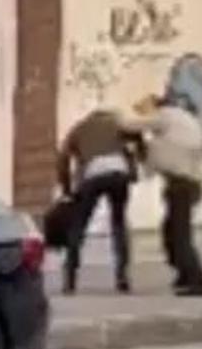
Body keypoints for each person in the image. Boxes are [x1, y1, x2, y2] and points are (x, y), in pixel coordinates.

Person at [128, 57, 202, 297]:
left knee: (179, 235)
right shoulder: (183, 122)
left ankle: (197, 281)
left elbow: (132, 126)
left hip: (182, 184)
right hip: (188, 183)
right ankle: (184, 276)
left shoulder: (166, 116)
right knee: (172, 233)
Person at [57, 106, 140, 295]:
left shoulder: (78, 129)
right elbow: (136, 140)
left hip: (92, 174)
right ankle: (122, 276)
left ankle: (70, 279)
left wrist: (67, 189)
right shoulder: (117, 124)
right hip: (119, 171)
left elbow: (62, 159)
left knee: (79, 225)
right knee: (118, 223)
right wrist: (134, 169)